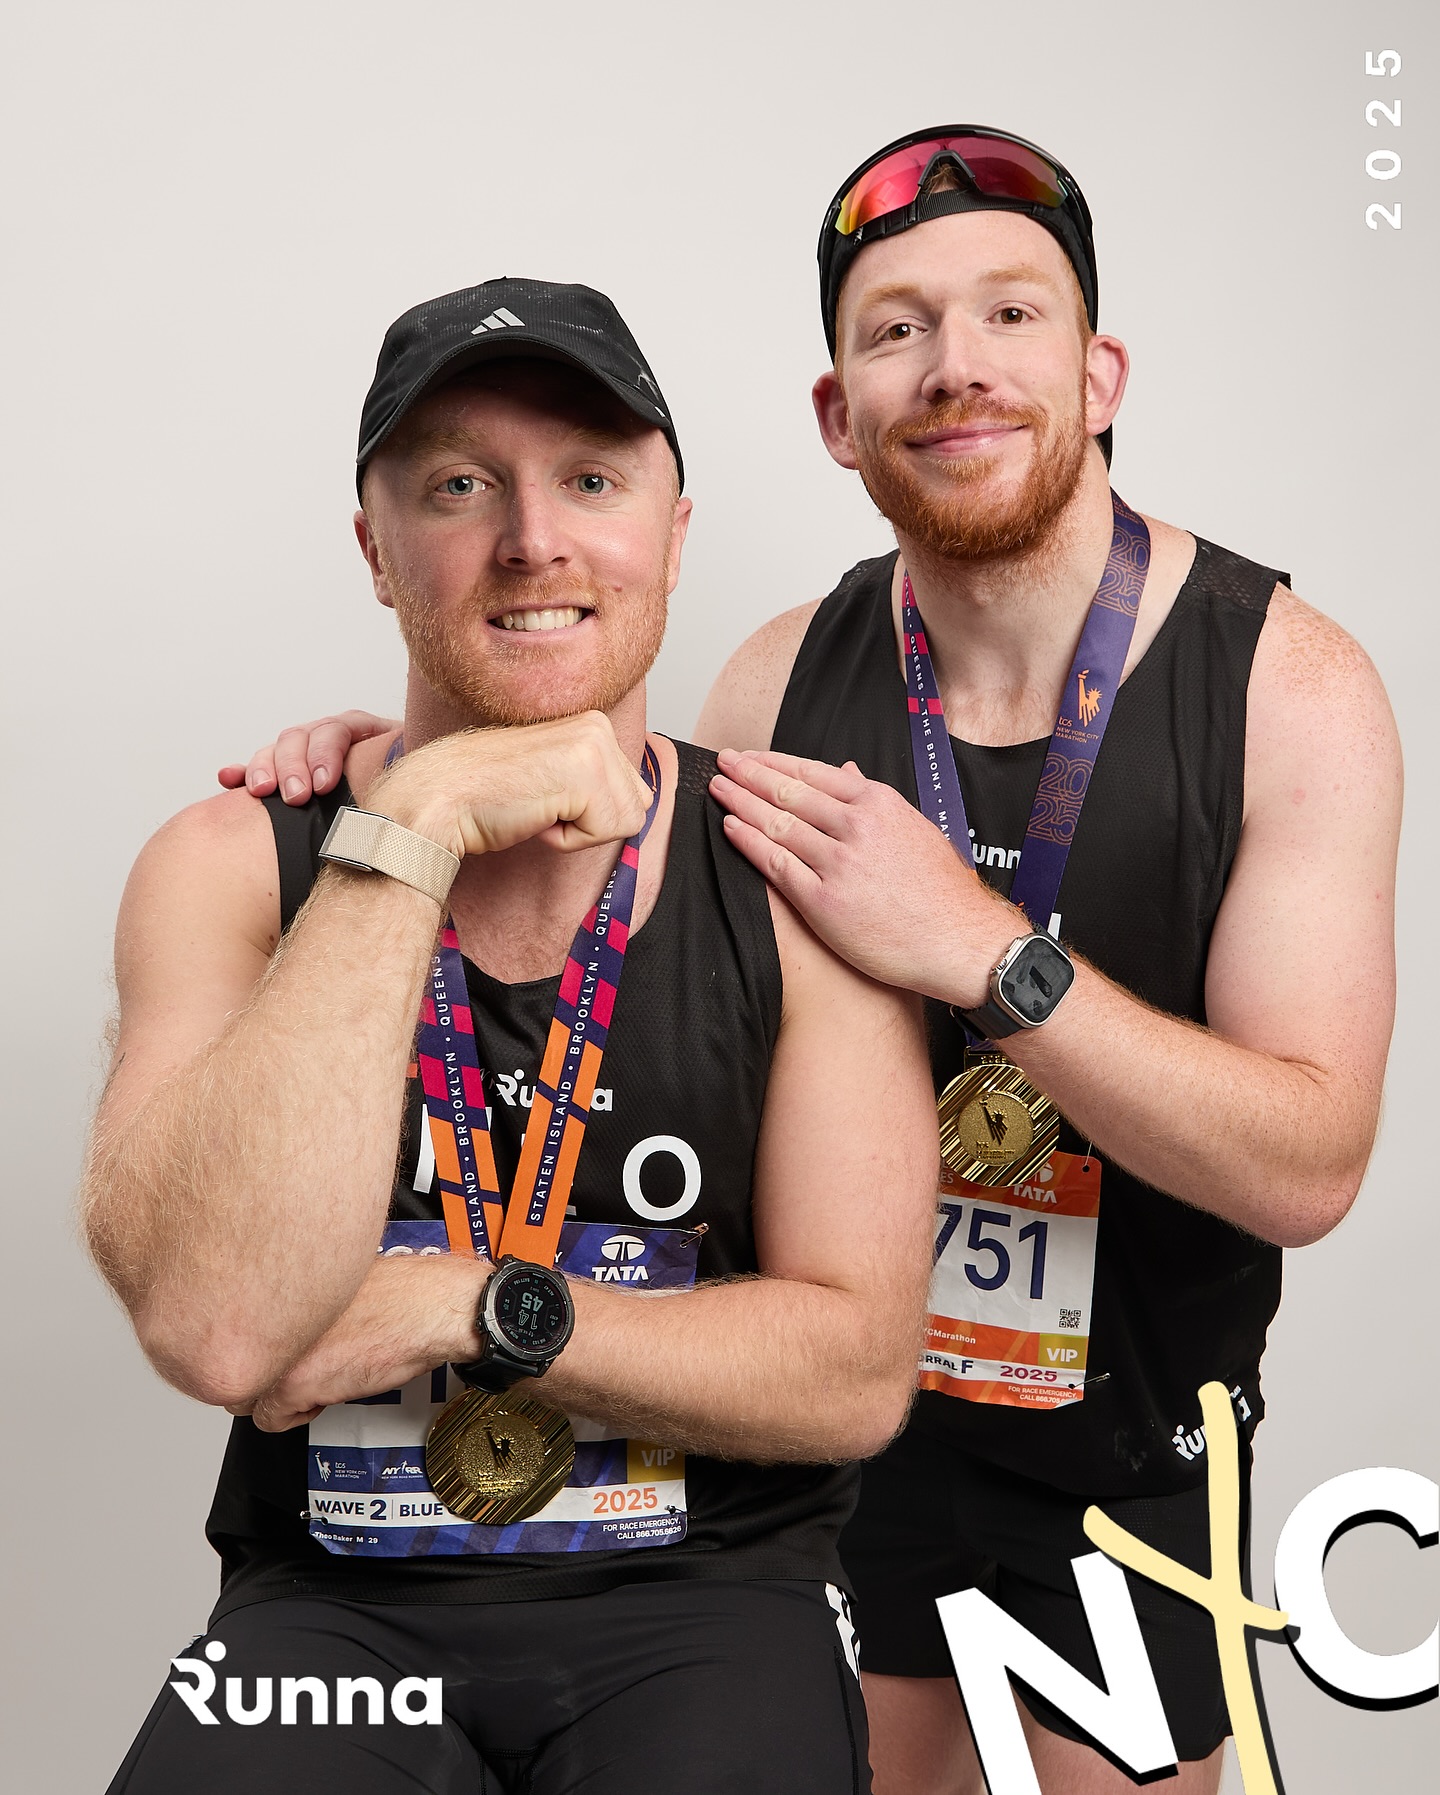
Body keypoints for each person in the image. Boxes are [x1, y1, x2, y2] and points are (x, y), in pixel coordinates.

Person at [228, 128, 1401, 1795]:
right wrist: (398, 770)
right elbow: (609, 877)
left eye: (1011, 314)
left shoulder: (1288, 688)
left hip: (1128, 1444)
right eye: (898, 329)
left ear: (1100, 375)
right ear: (840, 414)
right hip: (823, 1460)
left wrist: (985, 953)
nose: (957, 366)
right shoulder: (780, 681)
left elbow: (1308, 1167)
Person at [84, 277, 940, 1795]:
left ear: (674, 531)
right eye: (460, 486)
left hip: (704, 1600)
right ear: (374, 549)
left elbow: (855, 1370)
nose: (534, 539)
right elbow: (217, 1329)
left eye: (592, 480)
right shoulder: (234, 867)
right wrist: (411, 823)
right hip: (335, 1608)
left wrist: (469, 1305)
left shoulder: (796, 875)